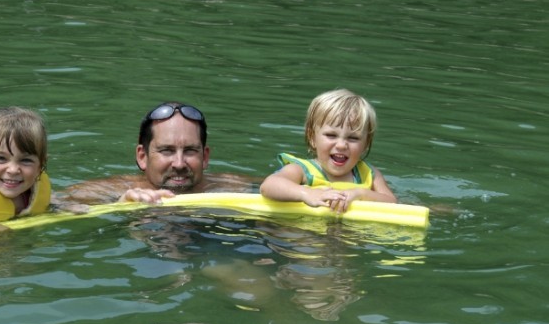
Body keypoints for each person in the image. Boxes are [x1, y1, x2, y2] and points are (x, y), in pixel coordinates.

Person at [63, 102, 258, 205]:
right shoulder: (115, 190)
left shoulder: (231, 186)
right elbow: (53, 203)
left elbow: (279, 185)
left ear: (205, 157)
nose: (180, 163)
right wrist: (122, 208)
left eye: (190, 150)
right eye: (167, 150)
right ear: (142, 156)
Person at [260, 89, 397, 212]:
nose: (342, 145)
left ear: (366, 144)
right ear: (312, 137)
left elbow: (392, 202)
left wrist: (361, 194)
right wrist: (307, 194)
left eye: (353, 138)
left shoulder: (369, 174)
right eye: (331, 135)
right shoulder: (301, 171)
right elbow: (268, 186)